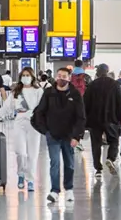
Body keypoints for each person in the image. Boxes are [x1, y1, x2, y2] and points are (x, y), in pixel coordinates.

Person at [32, 67, 86, 203]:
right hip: (53, 135)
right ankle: (54, 190)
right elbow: (39, 112)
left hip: (69, 136)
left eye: (64, 76)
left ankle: (69, 189)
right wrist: (45, 131)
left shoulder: (75, 94)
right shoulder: (49, 93)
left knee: (69, 164)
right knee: (54, 163)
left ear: (69, 78)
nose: (61, 78)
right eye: (59, 76)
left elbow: (81, 117)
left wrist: (77, 136)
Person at [0, 68, 44, 191]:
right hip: (19, 121)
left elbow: (42, 106)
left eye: (28, 75)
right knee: (20, 152)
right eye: (24, 75)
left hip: (34, 122)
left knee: (33, 153)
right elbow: (8, 106)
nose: (26, 77)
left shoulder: (39, 91)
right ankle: (21, 174)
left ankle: (30, 179)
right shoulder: (16, 91)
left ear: (32, 77)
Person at [83, 64, 121, 176]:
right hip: (110, 118)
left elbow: (85, 103)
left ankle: (98, 169)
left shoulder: (91, 85)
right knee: (114, 140)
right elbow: (119, 102)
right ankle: (110, 158)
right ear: (107, 71)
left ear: (97, 72)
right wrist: (120, 118)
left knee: (96, 143)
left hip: (94, 119)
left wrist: (85, 120)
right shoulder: (115, 84)